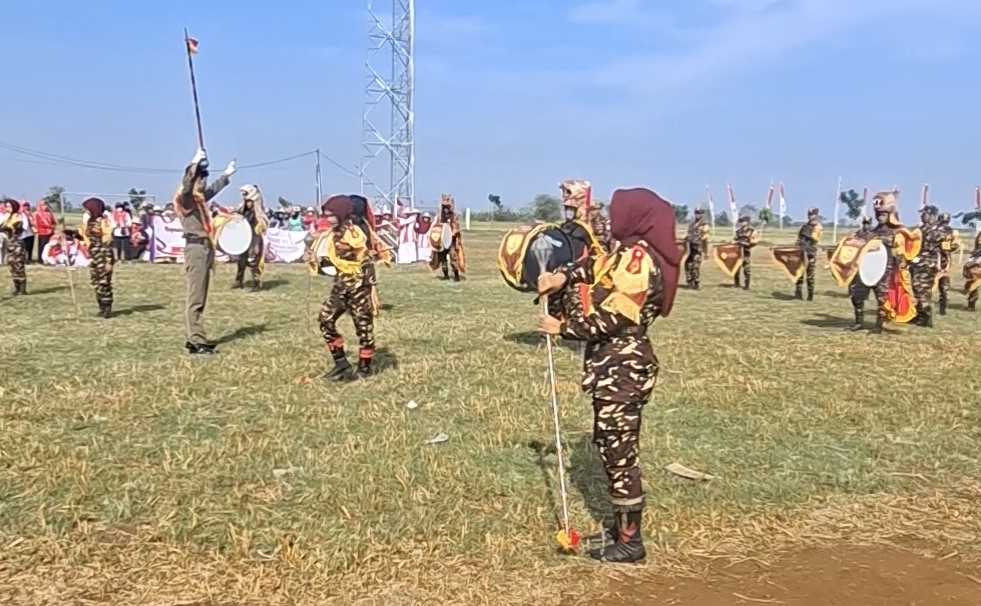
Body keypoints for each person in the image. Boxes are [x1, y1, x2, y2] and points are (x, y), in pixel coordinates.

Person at [537, 187, 681, 564]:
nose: (612, 217)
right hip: (611, 366)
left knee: (620, 453)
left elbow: (615, 317)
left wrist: (562, 327)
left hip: (624, 365)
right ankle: (621, 530)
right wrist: (560, 278)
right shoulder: (623, 253)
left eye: (620, 211)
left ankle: (630, 541)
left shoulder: (638, 260)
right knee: (609, 445)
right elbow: (592, 269)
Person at [175, 148, 236, 355]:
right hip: (195, 248)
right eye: (201, 180)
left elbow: (213, 191)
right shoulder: (186, 199)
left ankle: (195, 337)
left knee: (201, 294)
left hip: (204, 247)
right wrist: (194, 163)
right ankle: (196, 338)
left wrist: (226, 174)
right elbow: (186, 185)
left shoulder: (199, 199)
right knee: (196, 296)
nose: (204, 184)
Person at [317, 195, 376, 380]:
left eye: (331, 215)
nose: (328, 218)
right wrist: (317, 260)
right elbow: (335, 260)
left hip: (358, 287)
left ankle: (364, 370)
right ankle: (341, 363)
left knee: (364, 328)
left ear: (341, 213)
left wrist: (371, 287)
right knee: (325, 319)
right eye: (326, 214)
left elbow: (365, 260)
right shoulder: (332, 233)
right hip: (340, 286)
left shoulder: (355, 233)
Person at [80, 198, 115, 318]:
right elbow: (83, 237)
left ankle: (107, 308)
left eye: (88, 208)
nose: (86, 211)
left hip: (103, 254)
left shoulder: (103, 222)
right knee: (96, 281)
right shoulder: (88, 222)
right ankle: (101, 307)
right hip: (93, 255)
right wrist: (69, 233)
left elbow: (108, 239)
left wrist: (109, 261)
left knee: (104, 281)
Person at [909, 206, 943, 327]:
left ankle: (925, 317)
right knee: (923, 290)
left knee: (920, 289)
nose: (922, 216)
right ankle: (919, 315)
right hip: (926, 263)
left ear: (931, 215)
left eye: (924, 214)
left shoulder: (930, 230)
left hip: (924, 263)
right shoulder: (935, 229)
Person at [233, 185, 268, 292]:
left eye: (249, 201)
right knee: (241, 260)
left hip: (254, 240)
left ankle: (256, 282)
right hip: (245, 239)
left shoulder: (258, 213)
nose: (247, 203)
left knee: (254, 262)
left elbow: (263, 224)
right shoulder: (243, 211)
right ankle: (239, 281)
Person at [560, 180, 609, 252]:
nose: (564, 195)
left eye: (567, 191)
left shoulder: (587, 225)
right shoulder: (565, 226)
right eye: (566, 208)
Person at [429, 194, 466, 281]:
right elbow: (434, 227)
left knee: (453, 257)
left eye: (447, 206)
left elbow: (456, 227)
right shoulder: (439, 217)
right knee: (442, 259)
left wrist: (451, 234)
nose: (446, 208)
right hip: (441, 242)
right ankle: (445, 275)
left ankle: (456, 275)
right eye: (444, 206)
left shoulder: (453, 216)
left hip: (451, 241)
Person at [846, 216, 874, 330]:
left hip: (871, 266)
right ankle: (859, 321)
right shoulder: (858, 234)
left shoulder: (874, 235)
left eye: (868, 223)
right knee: (856, 295)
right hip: (859, 266)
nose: (866, 225)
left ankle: (880, 323)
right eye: (865, 223)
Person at [1, 198, 28, 294]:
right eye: (6, 206)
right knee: (12, 266)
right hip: (10, 245)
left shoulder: (18, 216)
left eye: (9, 206)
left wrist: (7, 223)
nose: (7, 208)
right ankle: (16, 288)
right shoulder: (7, 218)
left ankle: (22, 289)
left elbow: (15, 229)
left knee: (19, 265)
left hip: (17, 245)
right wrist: (5, 218)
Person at [935, 212, 960, 316]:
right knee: (942, 286)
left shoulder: (950, 231)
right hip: (938, 259)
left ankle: (942, 308)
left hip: (942, 259)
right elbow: (955, 245)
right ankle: (941, 308)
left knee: (941, 285)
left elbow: (955, 245)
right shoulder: (936, 230)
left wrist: (947, 247)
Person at [794, 207, 822, 300]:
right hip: (801, 252)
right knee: (799, 273)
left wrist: (808, 234)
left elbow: (815, 238)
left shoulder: (818, 226)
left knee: (810, 275)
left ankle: (810, 295)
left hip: (811, 253)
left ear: (816, 215)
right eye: (809, 214)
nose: (810, 216)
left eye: (812, 214)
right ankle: (798, 293)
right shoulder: (804, 227)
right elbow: (799, 238)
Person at [684, 207, 710, 290]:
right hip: (690, 249)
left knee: (695, 266)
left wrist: (706, 252)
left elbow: (705, 239)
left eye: (700, 213)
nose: (698, 214)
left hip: (698, 249)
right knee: (687, 265)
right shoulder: (691, 224)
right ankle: (689, 283)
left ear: (702, 214)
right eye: (696, 213)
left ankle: (696, 284)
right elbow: (688, 235)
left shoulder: (704, 225)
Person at [733, 215, 759, 290]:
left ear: (747, 222)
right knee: (736, 269)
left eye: (743, 221)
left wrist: (748, 242)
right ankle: (736, 284)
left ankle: (746, 285)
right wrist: (737, 242)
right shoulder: (738, 232)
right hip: (737, 253)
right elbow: (733, 240)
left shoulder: (752, 231)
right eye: (740, 221)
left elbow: (756, 240)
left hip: (746, 252)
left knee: (746, 269)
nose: (741, 223)